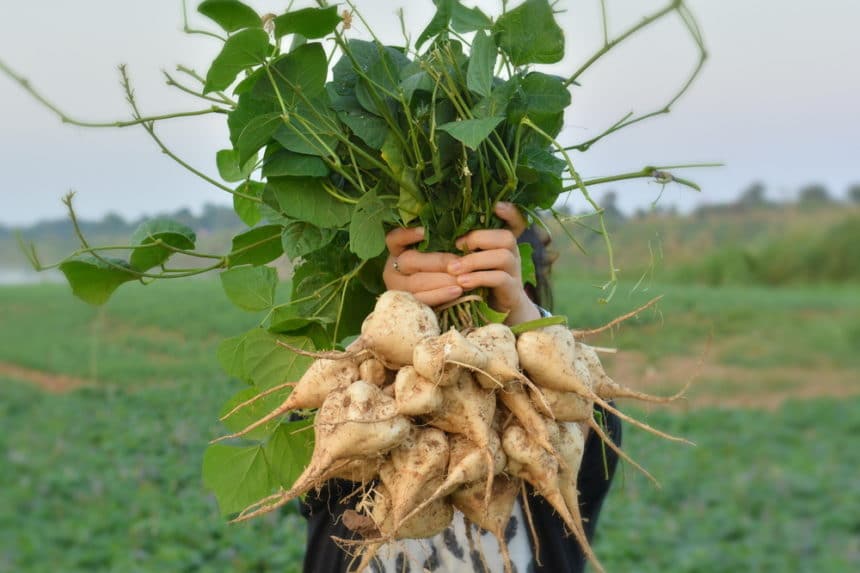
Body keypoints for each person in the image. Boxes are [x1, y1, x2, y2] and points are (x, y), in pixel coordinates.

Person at [300, 202, 622, 572]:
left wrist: (526, 322)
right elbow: (318, 461)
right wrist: (393, 321)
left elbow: (594, 427)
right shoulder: (369, 400)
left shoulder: (548, 431)